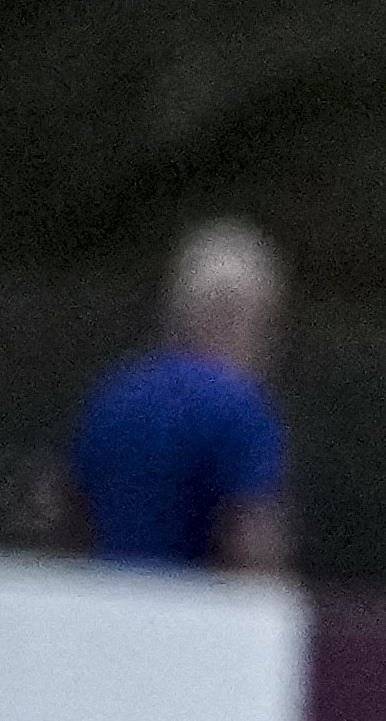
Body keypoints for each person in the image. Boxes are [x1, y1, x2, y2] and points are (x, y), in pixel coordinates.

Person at [71, 219, 293, 572]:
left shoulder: (115, 394)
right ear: (242, 316)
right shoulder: (238, 407)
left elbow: (76, 512)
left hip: (109, 595)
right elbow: (247, 535)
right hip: (197, 601)